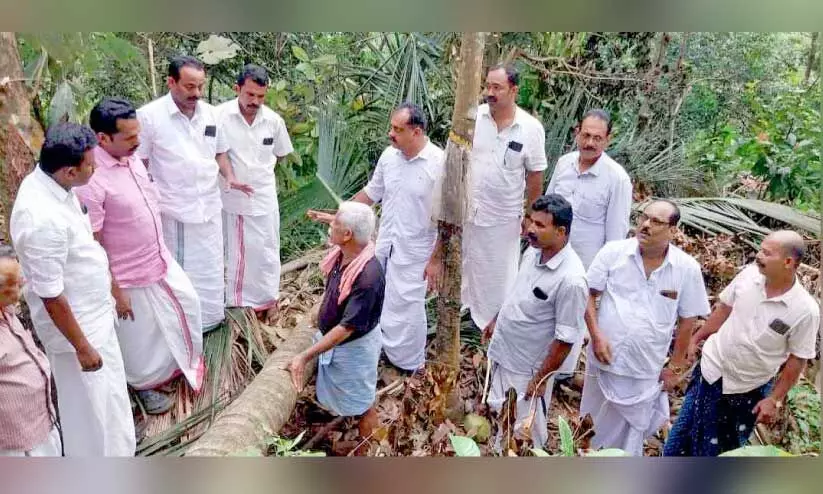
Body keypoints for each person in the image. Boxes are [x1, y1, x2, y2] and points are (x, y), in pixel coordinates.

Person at [10, 123, 135, 456]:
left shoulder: (57, 187)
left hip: (95, 317)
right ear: (68, 171)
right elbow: (51, 295)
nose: (95, 168)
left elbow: (84, 253)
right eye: (90, 164)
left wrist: (113, 291)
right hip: (79, 332)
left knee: (108, 405)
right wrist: (82, 348)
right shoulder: (40, 220)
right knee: (94, 412)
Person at [75, 98, 204, 415]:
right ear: (103, 139)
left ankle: (174, 369)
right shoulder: (91, 178)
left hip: (157, 257)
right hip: (125, 275)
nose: (138, 142)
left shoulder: (130, 157)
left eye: (138, 134)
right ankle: (142, 388)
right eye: (129, 137)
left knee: (187, 304)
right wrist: (114, 289)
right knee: (138, 341)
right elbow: (91, 242)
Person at [308, 102, 443, 372]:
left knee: (408, 304)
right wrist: (341, 215)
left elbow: (447, 220)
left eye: (397, 129)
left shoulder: (439, 164)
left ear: (416, 132)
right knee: (382, 297)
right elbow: (371, 193)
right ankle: (382, 350)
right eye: (391, 127)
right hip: (386, 240)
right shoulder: (389, 157)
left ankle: (410, 364)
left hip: (417, 247)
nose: (390, 134)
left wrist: (436, 259)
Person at [664, 230, 819, 456]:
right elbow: (724, 309)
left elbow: (798, 359)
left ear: (788, 262)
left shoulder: (805, 310)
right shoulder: (748, 276)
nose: (759, 256)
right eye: (760, 249)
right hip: (710, 371)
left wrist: (774, 400)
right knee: (677, 445)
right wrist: (696, 339)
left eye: (767, 253)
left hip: (745, 390)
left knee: (717, 456)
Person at [580, 200, 710, 455]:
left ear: (673, 230)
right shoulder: (613, 252)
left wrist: (674, 367)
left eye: (656, 222)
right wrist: (596, 335)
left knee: (630, 437)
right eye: (644, 217)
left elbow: (687, 321)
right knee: (591, 426)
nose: (646, 225)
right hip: (602, 360)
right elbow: (588, 294)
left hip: (643, 369)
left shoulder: (686, 269)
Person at [136, 55, 252, 332]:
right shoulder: (150, 116)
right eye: (189, 87)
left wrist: (231, 176)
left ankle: (210, 321)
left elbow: (219, 151)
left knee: (211, 269)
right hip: (174, 211)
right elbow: (139, 163)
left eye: (200, 86)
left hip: (209, 206)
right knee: (180, 273)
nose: (196, 93)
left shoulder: (211, 114)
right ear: (171, 82)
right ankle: (182, 328)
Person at [483, 194, 588, 449]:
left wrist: (540, 380)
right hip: (505, 352)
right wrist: (497, 319)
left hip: (527, 369)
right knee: (501, 417)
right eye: (531, 221)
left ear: (561, 232)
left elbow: (565, 339)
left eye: (540, 225)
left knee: (525, 433)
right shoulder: (534, 251)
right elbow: (518, 291)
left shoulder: (571, 280)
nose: (530, 229)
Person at [545, 109, 633, 381]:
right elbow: (547, 206)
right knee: (546, 310)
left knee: (571, 319)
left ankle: (560, 375)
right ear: (576, 134)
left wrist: (601, 281)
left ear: (608, 140)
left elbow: (616, 236)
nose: (590, 143)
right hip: (551, 255)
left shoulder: (616, 178)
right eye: (586, 135)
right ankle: (541, 365)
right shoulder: (564, 164)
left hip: (585, 265)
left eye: (597, 137)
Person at [462, 64, 548, 333]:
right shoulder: (474, 118)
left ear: (514, 90)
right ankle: (466, 317)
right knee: (467, 268)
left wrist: (532, 216)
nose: (490, 92)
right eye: (487, 86)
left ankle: (494, 326)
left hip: (503, 217)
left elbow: (535, 176)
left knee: (500, 276)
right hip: (468, 211)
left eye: (497, 87)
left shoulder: (530, 128)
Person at [287, 202, 385, 439]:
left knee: (362, 403)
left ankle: (369, 447)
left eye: (335, 223)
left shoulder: (368, 276)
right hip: (341, 344)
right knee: (347, 397)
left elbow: (344, 330)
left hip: (353, 349)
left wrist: (303, 356)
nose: (331, 225)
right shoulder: (347, 254)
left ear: (348, 235)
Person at [218, 64, 294, 325]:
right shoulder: (219, 117)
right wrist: (232, 176)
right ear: (237, 89)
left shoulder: (273, 120)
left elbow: (281, 153)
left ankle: (267, 300)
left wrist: (260, 174)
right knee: (236, 252)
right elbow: (213, 152)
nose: (255, 101)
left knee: (267, 250)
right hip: (231, 198)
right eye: (250, 95)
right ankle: (238, 304)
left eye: (261, 96)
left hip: (264, 196)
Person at [0, 246, 62, 456]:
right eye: (13, 282)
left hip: (39, 420)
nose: (22, 282)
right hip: (16, 439)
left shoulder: (6, 313)